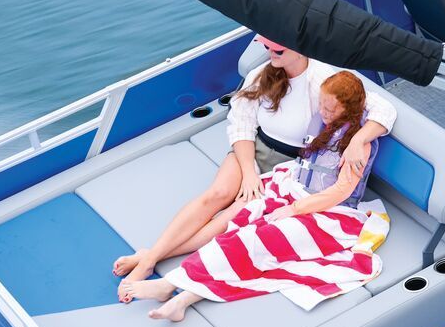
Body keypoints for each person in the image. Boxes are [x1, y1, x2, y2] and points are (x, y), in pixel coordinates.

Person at [111, 40, 395, 296]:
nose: (270, 53)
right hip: (253, 150)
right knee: (217, 195)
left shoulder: (324, 80)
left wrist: (359, 139)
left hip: (287, 160)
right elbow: (242, 123)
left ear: (297, 48)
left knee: (233, 214)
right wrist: (248, 172)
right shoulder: (260, 75)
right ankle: (150, 259)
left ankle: (152, 256)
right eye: (267, 47)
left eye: (277, 50)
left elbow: (382, 109)